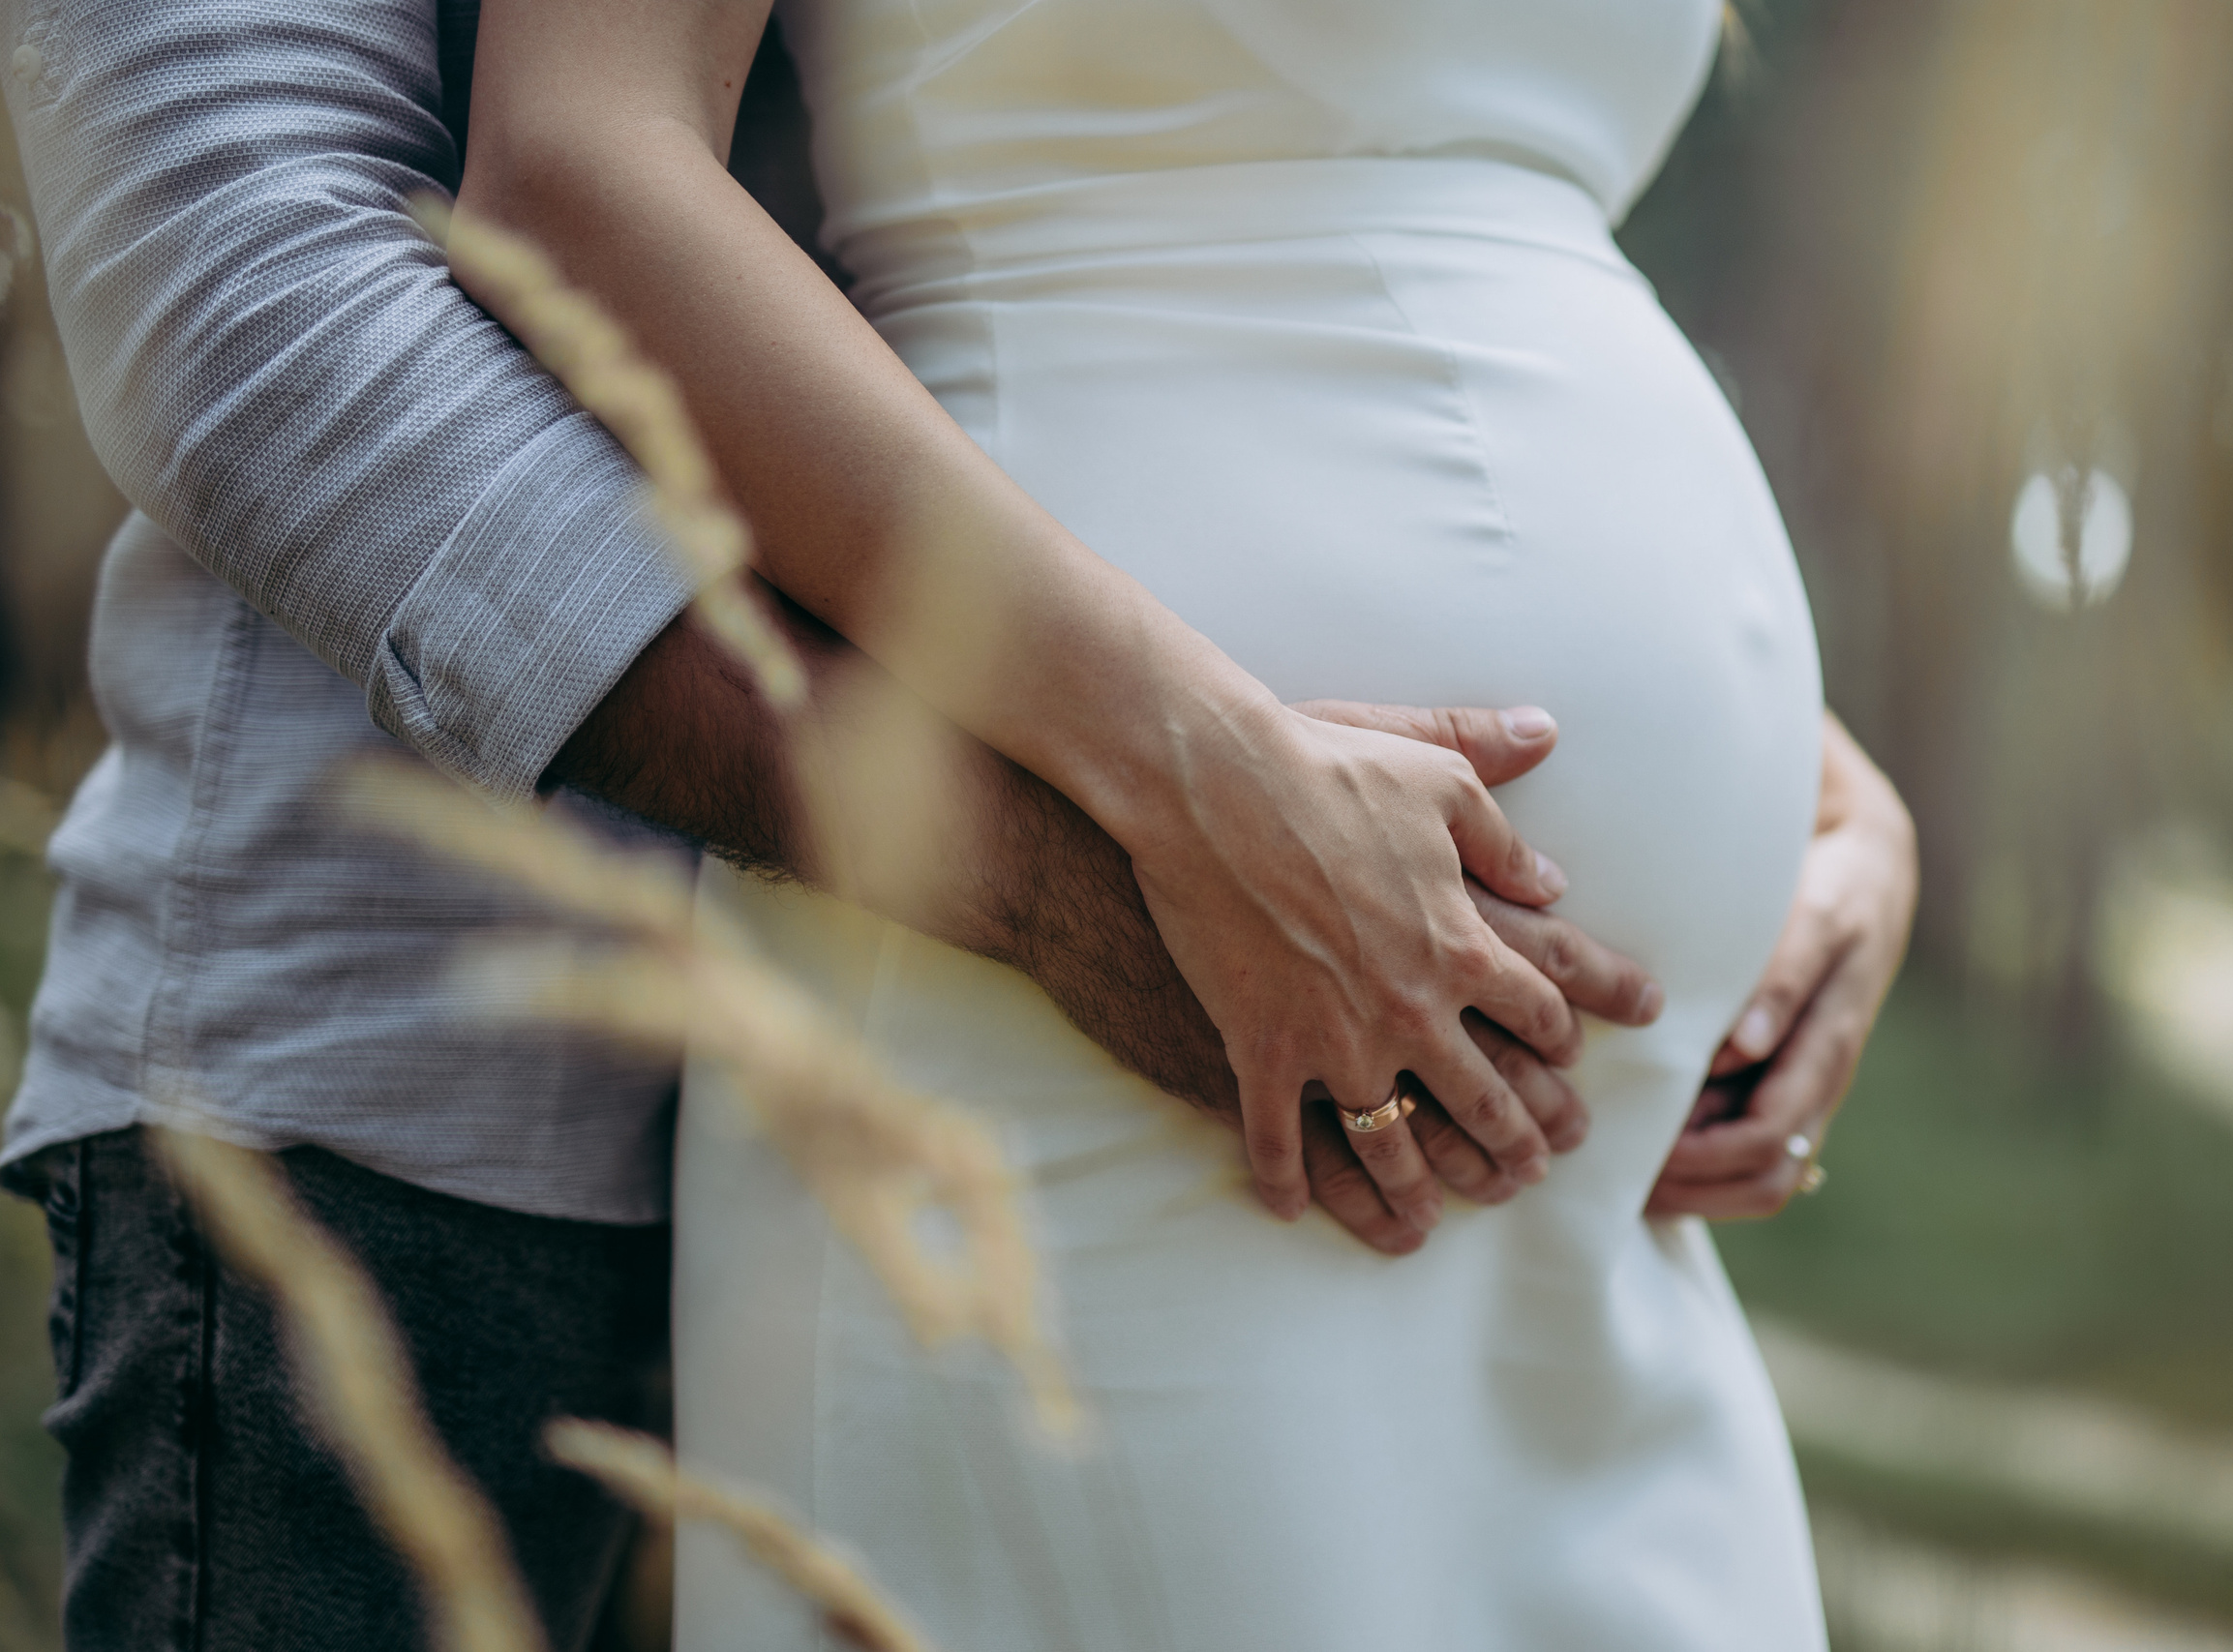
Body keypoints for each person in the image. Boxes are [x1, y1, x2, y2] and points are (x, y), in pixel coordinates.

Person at [0, 4, 1680, 1648]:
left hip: (1031, 1117)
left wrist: (1769, 819)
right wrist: (1057, 874)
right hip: (428, 1122)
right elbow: (247, 295)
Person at [461, 1, 1919, 1648]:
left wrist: (1819, 790)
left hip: (1598, 1191)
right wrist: (1191, 775)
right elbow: (575, 161)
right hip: (1100, 960)